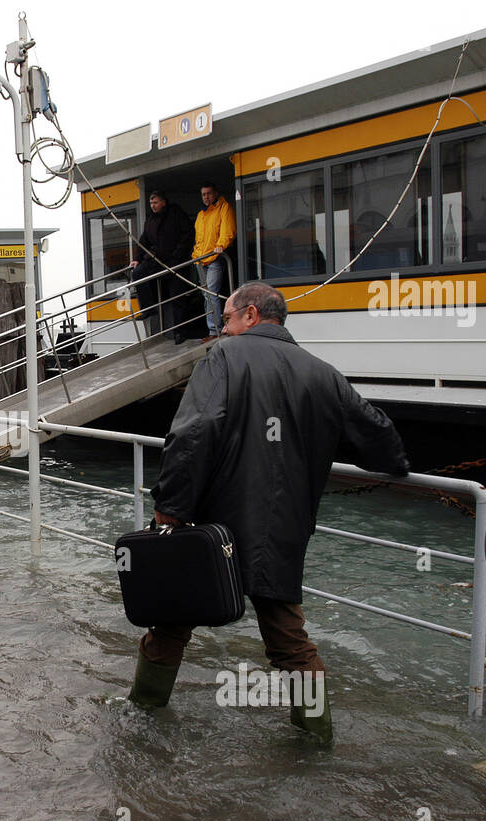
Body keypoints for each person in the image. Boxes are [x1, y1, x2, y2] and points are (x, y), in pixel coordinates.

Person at [130, 282, 410, 742]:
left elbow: (193, 433)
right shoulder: (324, 373)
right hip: (281, 530)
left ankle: (143, 713)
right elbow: (379, 435)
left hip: (214, 527)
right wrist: (399, 466)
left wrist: (170, 510)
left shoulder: (224, 356)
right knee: (290, 641)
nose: (223, 327)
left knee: (171, 624)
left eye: (227, 318)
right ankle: (317, 737)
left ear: (251, 315)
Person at [128, 189, 194, 340]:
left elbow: (187, 235)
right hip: (157, 261)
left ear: (163, 202)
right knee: (138, 273)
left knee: (177, 297)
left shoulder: (176, 214)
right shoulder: (150, 220)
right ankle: (149, 308)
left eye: (155, 202)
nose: (153, 205)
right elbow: (143, 241)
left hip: (175, 262)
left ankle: (180, 332)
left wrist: (178, 255)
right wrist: (137, 258)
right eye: (151, 203)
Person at [192, 182, 236, 341]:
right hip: (200, 259)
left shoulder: (224, 208)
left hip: (215, 258)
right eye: (203, 194)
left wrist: (221, 246)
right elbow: (199, 238)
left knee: (211, 293)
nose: (206, 197)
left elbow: (227, 230)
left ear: (215, 193)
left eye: (209, 193)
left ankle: (214, 330)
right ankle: (213, 328)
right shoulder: (200, 215)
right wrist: (195, 255)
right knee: (206, 295)